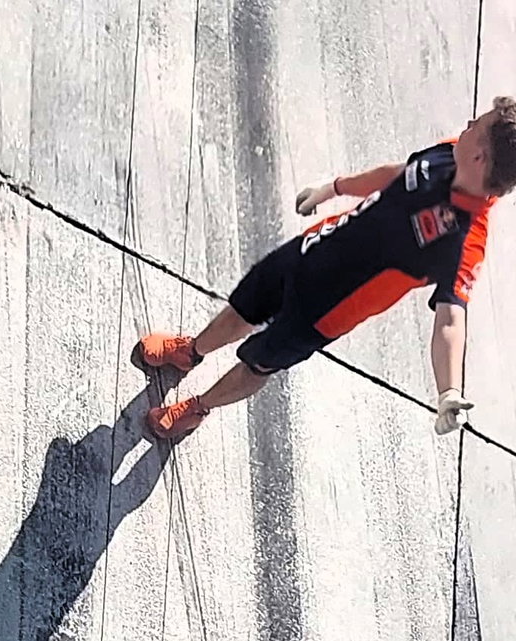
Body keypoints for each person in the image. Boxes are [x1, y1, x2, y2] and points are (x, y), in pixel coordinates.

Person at [137, 101, 516, 442]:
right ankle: (191, 351)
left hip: (324, 313)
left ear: (480, 158)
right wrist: (332, 189)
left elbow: (451, 318)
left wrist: (448, 390)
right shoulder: (451, 152)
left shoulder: (466, 239)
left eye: (476, 124)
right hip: (311, 250)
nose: (467, 122)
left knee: (257, 364)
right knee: (243, 308)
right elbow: (397, 174)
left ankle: (199, 407)